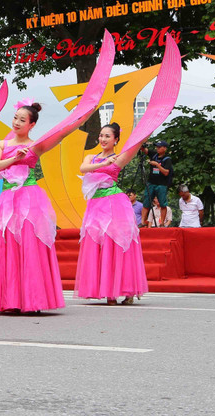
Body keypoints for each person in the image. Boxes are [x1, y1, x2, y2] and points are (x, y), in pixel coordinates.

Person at [0, 101, 64, 314]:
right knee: (8, 244)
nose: (16, 122)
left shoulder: (36, 145)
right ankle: (9, 300)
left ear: (32, 124)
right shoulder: (2, 144)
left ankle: (33, 300)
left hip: (30, 198)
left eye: (22, 120)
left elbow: (60, 136)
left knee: (30, 244)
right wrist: (13, 158)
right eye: (15, 118)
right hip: (8, 198)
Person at [75, 122, 148, 305]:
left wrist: (149, 126)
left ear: (116, 140)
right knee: (97, 244)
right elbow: (83, 169)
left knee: (115, 244)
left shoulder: (119, 158)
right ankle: (108, 291)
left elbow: (137, 144)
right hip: (95, 205)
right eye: (101, 135)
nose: (103, 139)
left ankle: (123, 291)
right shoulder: (91, 157)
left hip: (114, 203)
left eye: (107, 136)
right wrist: (105, 163)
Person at [142, 141, 172, 227]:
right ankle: (143, 221)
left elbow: (166, 172)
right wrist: (142, 145)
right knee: (146, 202)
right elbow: (145, 150)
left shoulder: (167, 159)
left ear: (165, 148)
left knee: (162, 203)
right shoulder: (154, 154)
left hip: (161, 184)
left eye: (159, 147)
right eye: (157, 147)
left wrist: (157, 165)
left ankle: (162, 222)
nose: (157, 148)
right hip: (151, 182)